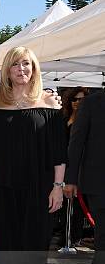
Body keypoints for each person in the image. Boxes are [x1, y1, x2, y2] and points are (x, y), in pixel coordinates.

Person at [0, 46, 65, 264]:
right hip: (3, 190)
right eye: (16, 65)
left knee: (32, 250)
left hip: (39, 190)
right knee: (7, 249)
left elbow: (59, 152)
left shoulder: (49, 103)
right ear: (7, 70)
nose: (22, 69)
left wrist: (58, 187)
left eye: (27, 64)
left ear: (34, 69)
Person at [64, 90, 105, 264]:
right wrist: (71, 179)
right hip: (98, 180)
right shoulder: (90, 103)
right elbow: (77, 141)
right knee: (102, 230)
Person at [56, 87, 89, 247]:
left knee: (77, 207)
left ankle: (74, 238)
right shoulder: (62, 119)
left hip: (80, 169)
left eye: (81, 99)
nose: (78, 102)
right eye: (75, 99)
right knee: (62, 206)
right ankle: (64, 236)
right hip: (62, 167)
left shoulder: (90, 120)